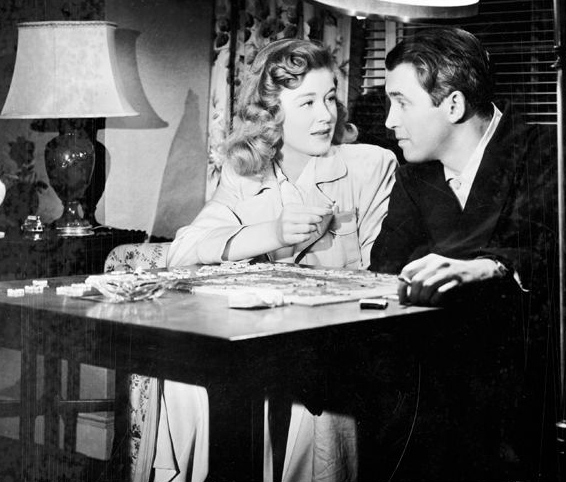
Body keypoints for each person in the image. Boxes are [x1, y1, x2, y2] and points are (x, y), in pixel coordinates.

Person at [364, 27, 566, 482]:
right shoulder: (415, 175)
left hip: (538, 369)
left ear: (453, 105)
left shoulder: (545, 152)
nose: (389, 122)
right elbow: (385, 267)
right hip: (442, 365)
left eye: (401, 103)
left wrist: (486, 267)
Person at [156, 38, 397, 482]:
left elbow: (382, 276)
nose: (325, 115)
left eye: (329, 98)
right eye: (307, 102)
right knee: (188, 379)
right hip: (266, 344)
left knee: (300, 397)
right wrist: (272, 233)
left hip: (337, 343)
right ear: (271, 113)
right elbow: (184, 250)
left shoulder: (370, 166)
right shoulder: (245, 173)